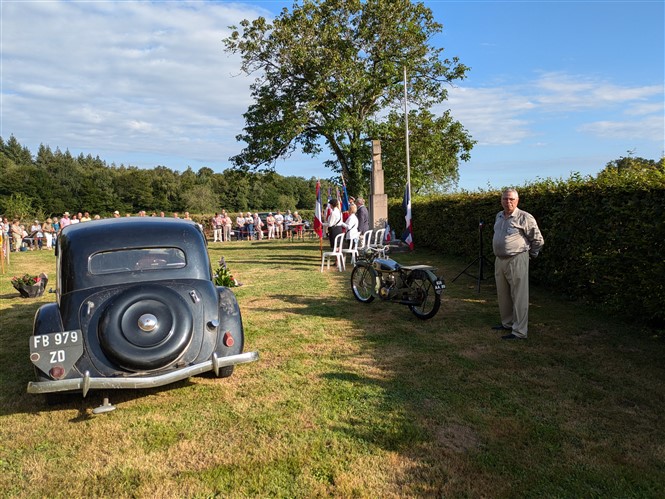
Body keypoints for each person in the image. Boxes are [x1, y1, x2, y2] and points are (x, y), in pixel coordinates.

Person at [492, 188, 544, 340]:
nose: (508, 202)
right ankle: (507, 323)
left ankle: (520, 331)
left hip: (517, 258)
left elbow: (538, 240)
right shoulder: (499, 215)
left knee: (519, 295)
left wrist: (531, 254)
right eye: (505, 199)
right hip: (499, 260)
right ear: (501, 200)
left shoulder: (524, 217)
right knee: (503, 294)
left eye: (511, 199)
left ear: (517, 200)